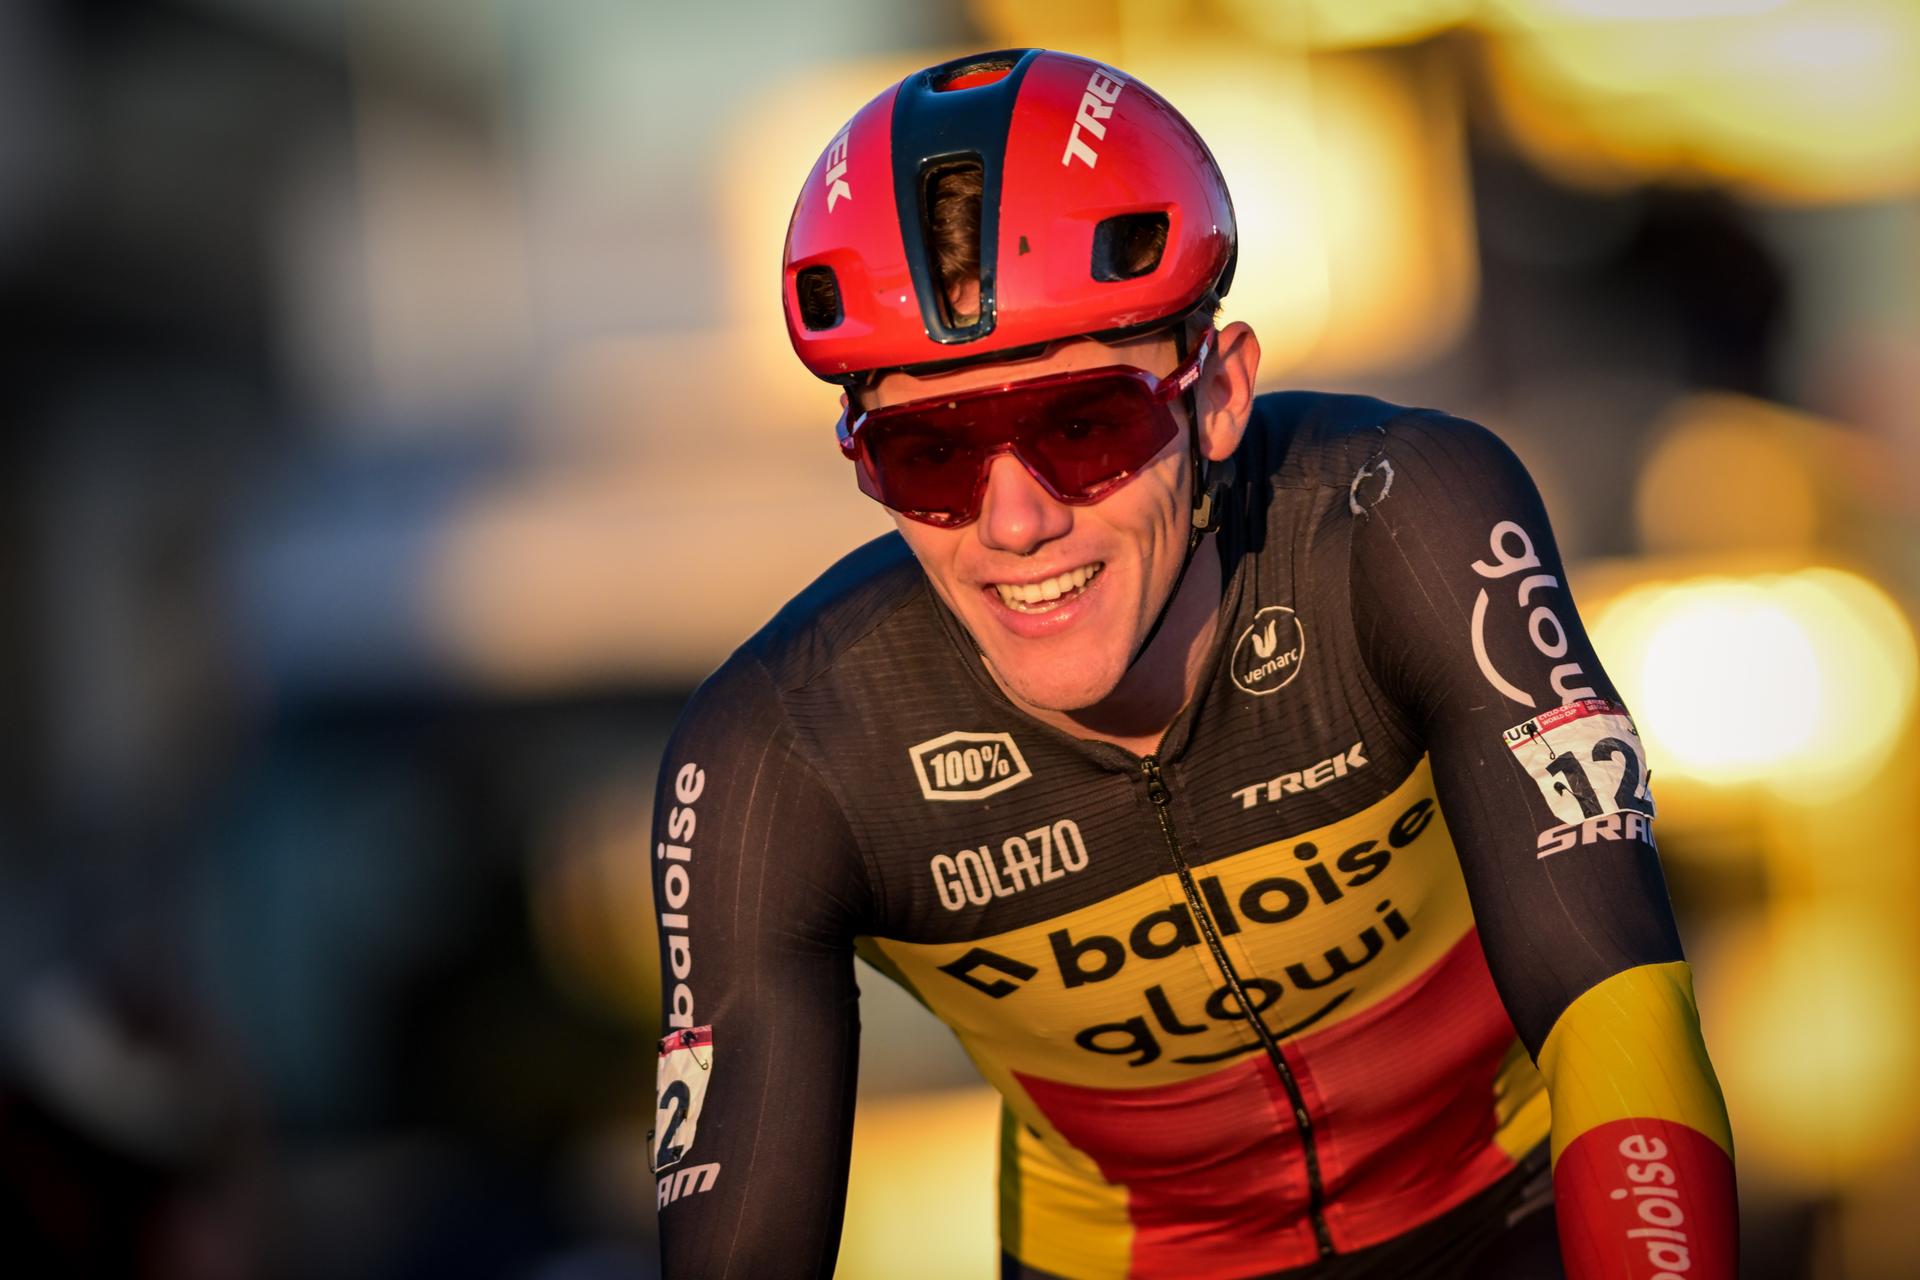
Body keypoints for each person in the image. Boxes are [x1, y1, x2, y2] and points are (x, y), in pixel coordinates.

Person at [647, 48, 1736, 1279]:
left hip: (1517, 1210)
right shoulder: (784, 748)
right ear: (861, 463)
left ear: (1217, 396)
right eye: (932, 453)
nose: (1015, 524)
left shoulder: (1398, 521)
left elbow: (1619, 1011)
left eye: (1084, 426)